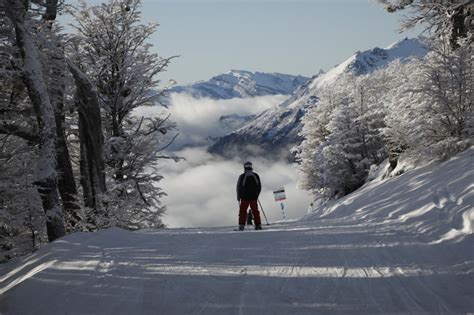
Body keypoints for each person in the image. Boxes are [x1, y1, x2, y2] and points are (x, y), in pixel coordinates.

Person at [236, 161, 262, 231]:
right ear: (251, 166)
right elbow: (259, 186)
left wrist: (238, 196)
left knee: (242, 211)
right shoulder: (255, 175)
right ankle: (258, 225)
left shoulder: (242, 176)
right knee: (255, 211)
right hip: (254, 197)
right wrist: (257, 195)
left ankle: (241, 226)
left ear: (244, 167)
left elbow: (239, 187)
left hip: (244, 198)